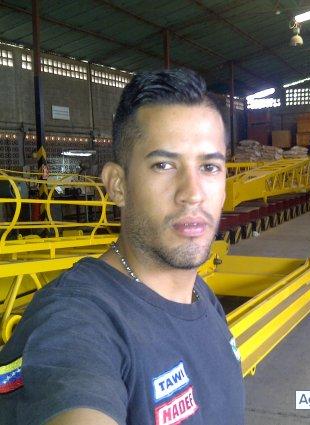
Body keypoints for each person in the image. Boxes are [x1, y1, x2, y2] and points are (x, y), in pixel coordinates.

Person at [0, 69, 245, 425]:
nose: (192, 193)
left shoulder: (201, 297)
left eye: (209, 167)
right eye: (164, 165)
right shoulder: (77, 319)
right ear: (118, 185)